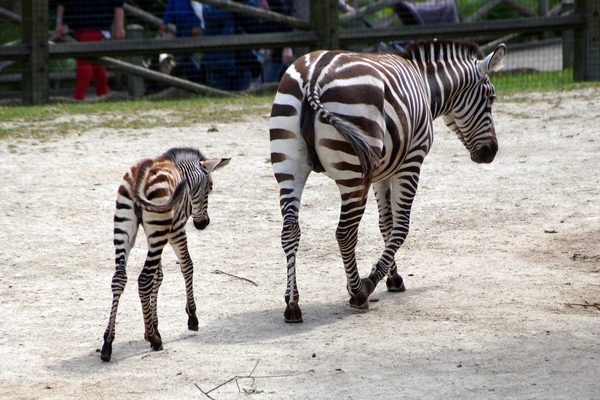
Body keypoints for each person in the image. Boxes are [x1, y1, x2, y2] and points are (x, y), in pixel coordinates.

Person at [55, 0, 126, 101]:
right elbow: (61, 2)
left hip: (97, 21)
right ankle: (103, 93)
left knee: (84, 58)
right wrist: (59, 22)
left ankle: (78, 97)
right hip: (76, 21)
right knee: (94, 60)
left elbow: (118, 3)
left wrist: (119, 27)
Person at [200, 0, 262, 91]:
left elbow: (255, 24)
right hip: (217, 64)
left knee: (242, 101)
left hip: (242, 62)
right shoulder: (209, 6)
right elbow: (209, 17)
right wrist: (229, 6)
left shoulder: (247, 2)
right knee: (218, 101)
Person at [159, 0, 202, 83]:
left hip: (189, 23)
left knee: (187, 55)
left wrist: (196, 24)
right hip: (179, 24)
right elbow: (170, 8)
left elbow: (197, 8)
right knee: (182, 54)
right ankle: (189, 81)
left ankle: (197, 81)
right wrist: (164, 23)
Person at [255, 0, 294, 84]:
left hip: (279, 49)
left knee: (260, 88)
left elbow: (286, 15)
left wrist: (287, 45)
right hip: (273, 45)